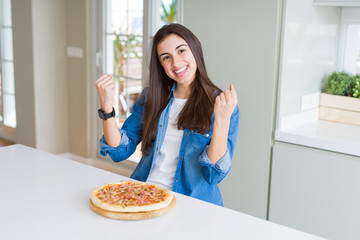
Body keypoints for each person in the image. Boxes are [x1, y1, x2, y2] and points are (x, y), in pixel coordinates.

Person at [95, 23, 239, 206]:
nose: (176, 63)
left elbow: (213, 175)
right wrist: (107, 109)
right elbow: (119, 150)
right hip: (144, 196)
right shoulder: (150, 98)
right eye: (166, 57)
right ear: (161, 64)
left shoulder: (223, 106)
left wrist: (221, 120)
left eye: (181, 51)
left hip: (193, 205)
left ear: (195, 49)